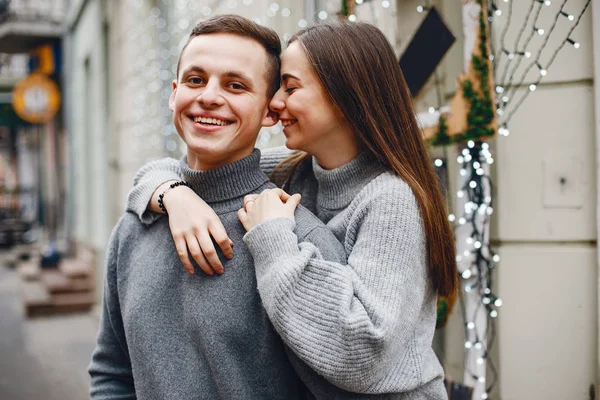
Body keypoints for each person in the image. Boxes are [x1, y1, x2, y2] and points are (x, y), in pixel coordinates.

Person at [127, 21, 458, 398]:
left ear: (346, 99)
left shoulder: (391, 200)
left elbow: (362, 353)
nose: (275, 102)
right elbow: (198, 173)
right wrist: (174, 195)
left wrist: (272, 240)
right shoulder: (296, 169)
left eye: (291, 87)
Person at [88, 15, 348, 399]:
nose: (209, 96)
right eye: (195, 80)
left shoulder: (301, 240)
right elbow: (112, 373)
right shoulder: (134, 226)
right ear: (174, 94)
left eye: (235, 85)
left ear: (269, 111)